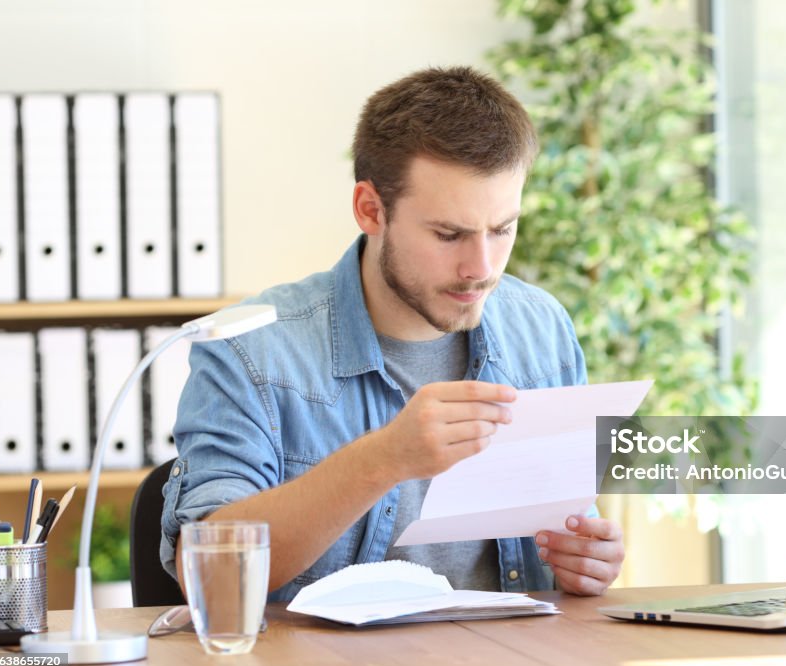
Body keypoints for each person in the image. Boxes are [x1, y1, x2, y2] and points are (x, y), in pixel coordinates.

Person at [159, 66, 624, 601]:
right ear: (370, 210)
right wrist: (382, 460)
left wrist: (589, 558)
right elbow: (212, 579)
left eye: (502, 230)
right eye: (449, 234)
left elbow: (572, 519)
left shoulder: (540, 328)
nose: (481, 267)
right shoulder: (251, 351)